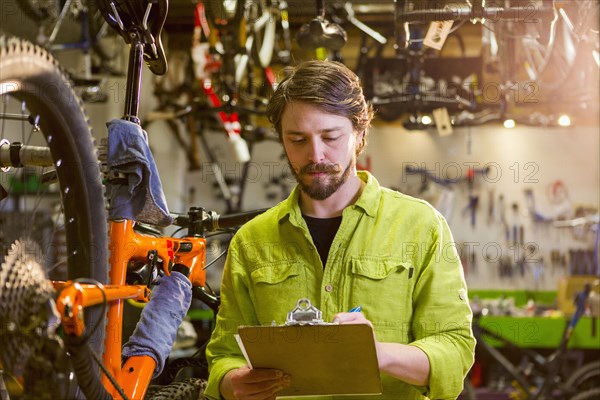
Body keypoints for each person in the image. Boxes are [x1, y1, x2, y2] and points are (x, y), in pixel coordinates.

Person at [204, 60, 476, 400]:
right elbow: (223, 354)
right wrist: (232, 382)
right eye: (297, 139)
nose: (315, 155)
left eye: (331, 136)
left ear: (360, 134)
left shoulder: (421, 227)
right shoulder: (251, 240)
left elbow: (454, 350)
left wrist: (379, 353)